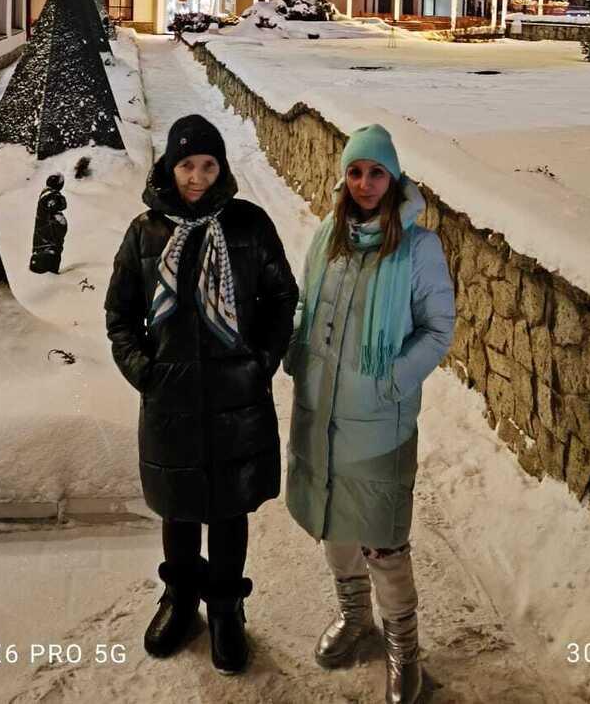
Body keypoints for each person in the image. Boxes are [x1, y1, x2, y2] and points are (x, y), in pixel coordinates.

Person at [105, 114, 297, 675]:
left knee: (230, 507)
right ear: (170, 165)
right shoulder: (145, 232)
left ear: (221, 167)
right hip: (172, 398)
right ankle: (182, 599)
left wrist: (261, 362)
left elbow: (282, 296)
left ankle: (226, 607)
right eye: (187, 165)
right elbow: (120, 313)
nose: (196, 177)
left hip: (238, 398)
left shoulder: (250, 225)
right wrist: (145, 370)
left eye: (208, 165)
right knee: (180, 506)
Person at [284, 124, 455, 704]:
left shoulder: (418, 248)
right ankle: (354, 618)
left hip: (378, 422)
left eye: (376, 172)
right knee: (335, 525)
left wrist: (392, 381)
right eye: (355, 172)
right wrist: (295, 351)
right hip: (320, 412)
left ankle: (404, 648)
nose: (364, 184)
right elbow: (309, 304)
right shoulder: (327, 236)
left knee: (382, 540)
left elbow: (438, 330)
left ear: (394, 178)